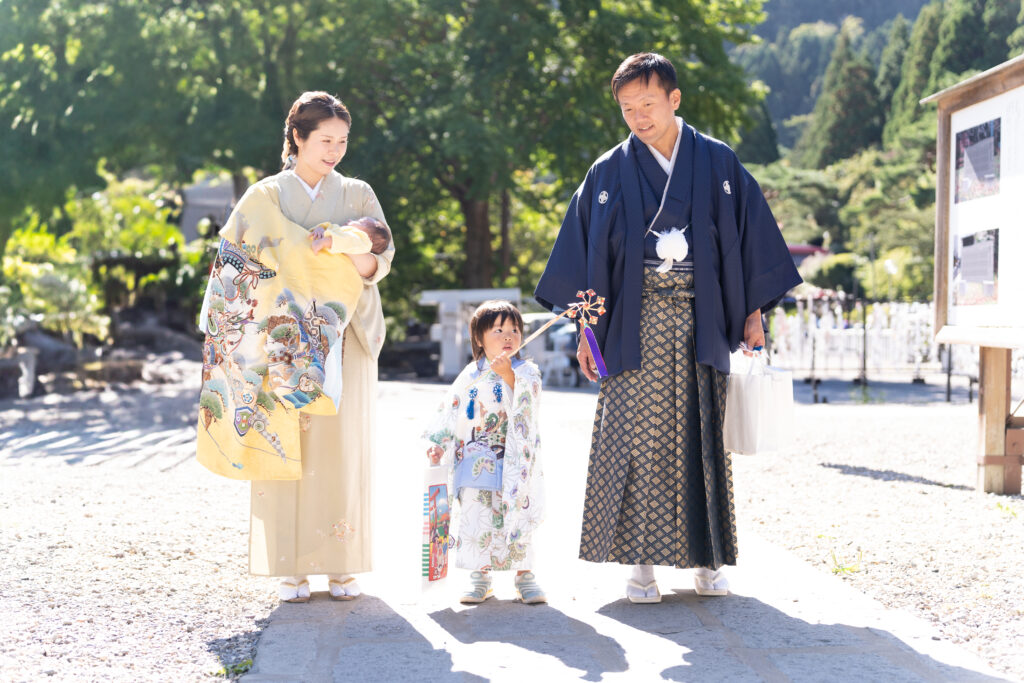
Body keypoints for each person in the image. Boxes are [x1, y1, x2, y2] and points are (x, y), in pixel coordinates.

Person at [535, 53, 801, 602]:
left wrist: (753, 313)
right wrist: (588, 335)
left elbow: (751, 238)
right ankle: (641, 567)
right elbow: (582, 256)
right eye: (627, 108)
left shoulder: (717, 162)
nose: (638, 117)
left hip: (702, 321)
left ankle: (706, 561)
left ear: (675, 99)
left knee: (702, 441)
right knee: (636, 443)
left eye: (648, 104)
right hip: (631, 325)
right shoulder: (607, 171)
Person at [198, 91, 394, 603]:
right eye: (325, 140)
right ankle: (290, 566)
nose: (335, 151)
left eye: (343, 142)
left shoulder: (357, 194)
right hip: (277, 338)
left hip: (342, 335)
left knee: (341, 448)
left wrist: (346, 251)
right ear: (298, 137)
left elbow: (381, 259)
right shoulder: (264, 197)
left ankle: (341, 565)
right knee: (283, 441)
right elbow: (236, 262)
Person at [423, 300, 547, 605]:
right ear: (479, 338)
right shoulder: (470, 374)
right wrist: (440, 442)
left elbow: (528, 406)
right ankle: (480, 576)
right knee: (476, 515)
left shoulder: (526, 371)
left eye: (514, 330)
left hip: (514, 458)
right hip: (476, 455)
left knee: (517, 516)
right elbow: (452, 409)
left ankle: (525, 575)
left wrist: (508, 377)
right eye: (499, 330)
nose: (508, 336)